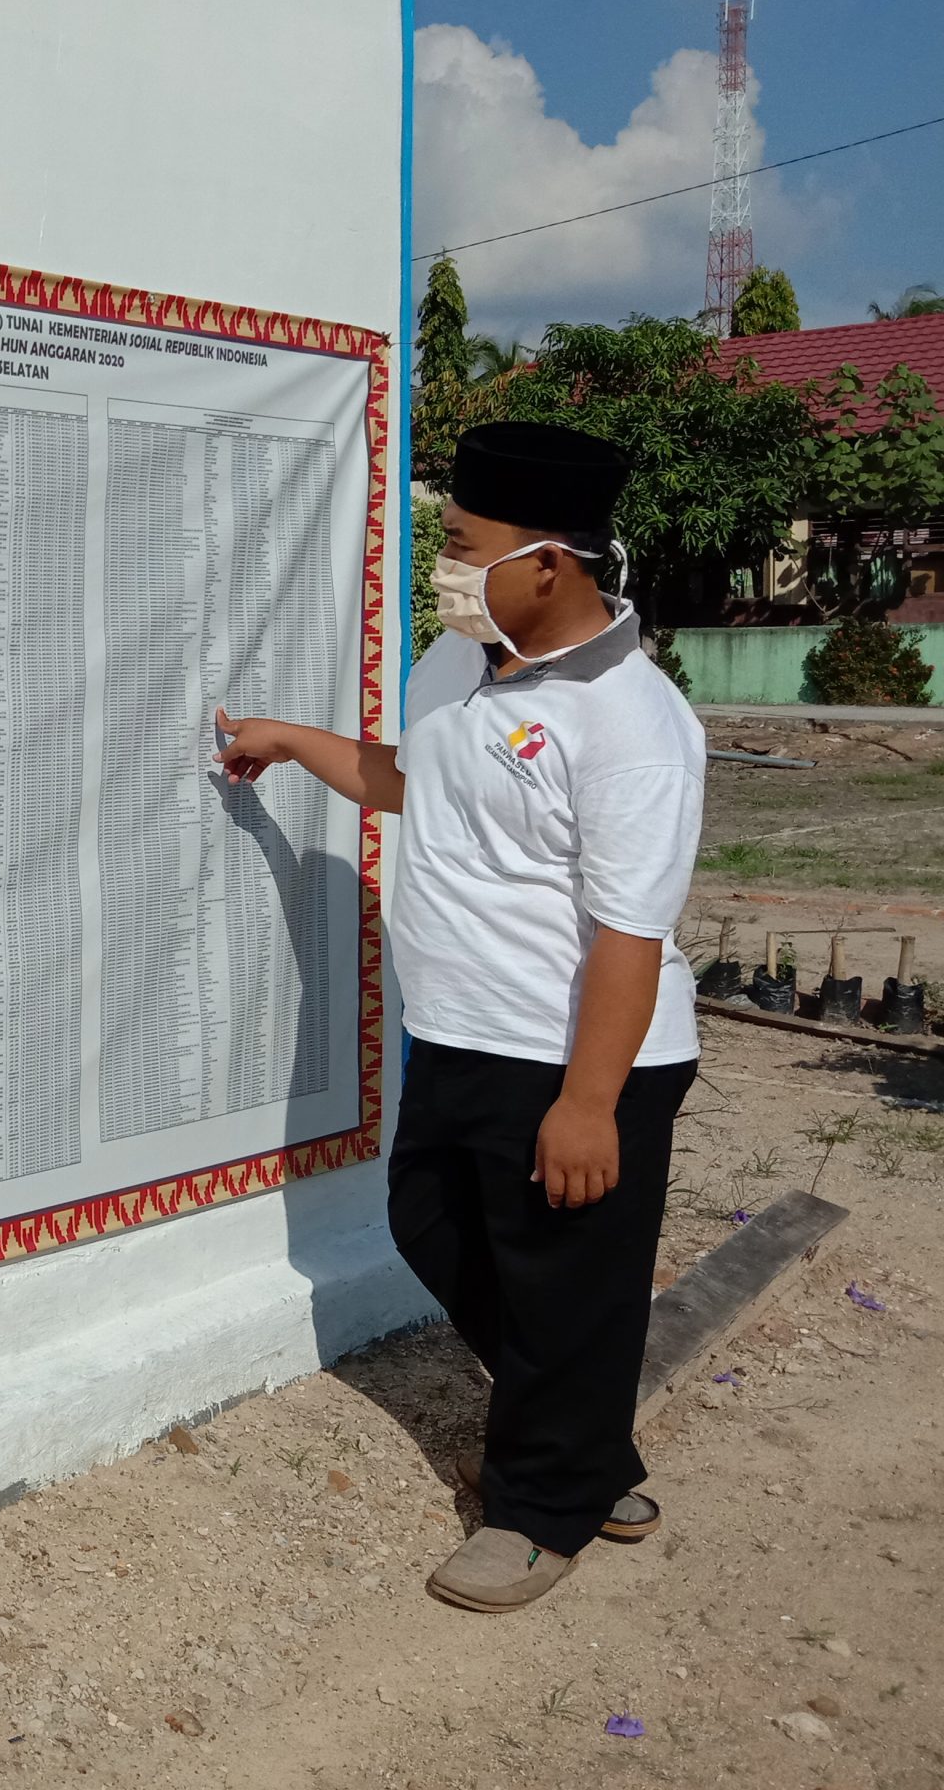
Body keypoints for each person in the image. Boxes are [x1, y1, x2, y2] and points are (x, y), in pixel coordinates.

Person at [214, 419, 706, 1613]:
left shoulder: (633, 727)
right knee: (435, 1229)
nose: (444, 568)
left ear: (549, 562)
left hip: (579, 1054)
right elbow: (409, 778)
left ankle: (541, 1510)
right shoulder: (458, 660)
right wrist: (291, 740)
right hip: (461, 1034)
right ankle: (582, 1443)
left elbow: (631, 938)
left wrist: (588, 1104)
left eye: (463, 545)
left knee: (558, 1280)